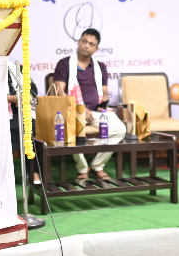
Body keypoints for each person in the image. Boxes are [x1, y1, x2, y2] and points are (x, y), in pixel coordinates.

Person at [53, 28, 126, 182]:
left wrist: (103, 104)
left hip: (95, 113)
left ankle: (97, 165)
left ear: (96, 48)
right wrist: (79, 109)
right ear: (79, 42)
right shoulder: (64, 64)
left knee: (120, 130)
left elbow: (104, 93)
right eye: (84, 41)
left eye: (91, 44)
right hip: (73, 111)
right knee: (70, 130)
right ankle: (82, 168)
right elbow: (59, 92)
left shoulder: (101, 67)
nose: (86, 46)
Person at [7, 59, 40, 184]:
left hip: (23, 112)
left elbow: (33, 90)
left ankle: (33, 172)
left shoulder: (17, 68)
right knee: (7, 130)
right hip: (2, 113)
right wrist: (12, 99)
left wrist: (26, 97)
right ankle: (6, 175)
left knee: (33, 128)